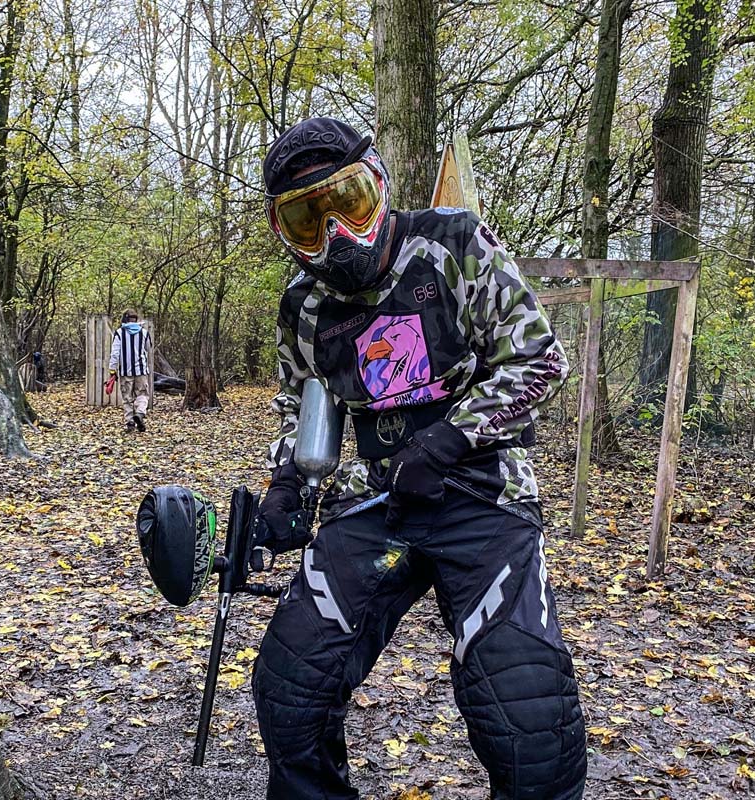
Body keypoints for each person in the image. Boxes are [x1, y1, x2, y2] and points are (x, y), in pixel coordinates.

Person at [250, 117, 585, 800]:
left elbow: (540, 359)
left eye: (347, 202)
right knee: (292, 689)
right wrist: (288, 483)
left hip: (483, 491)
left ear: (377, 184)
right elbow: (301, 403)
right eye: (310, 220)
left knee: (526, 713)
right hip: (377, 501)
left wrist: (450, 438)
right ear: (285, 231)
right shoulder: (303, 304)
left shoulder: (453, 241)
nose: (337, 233)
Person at [108, 309, 151, 432]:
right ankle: (140, 413)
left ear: (124, 319)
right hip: (141, 371)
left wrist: (112, 370)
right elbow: (147, 349)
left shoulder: (119, 333)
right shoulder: (144, 333)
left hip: (125, 372)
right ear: (135, 319)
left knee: (127, 398)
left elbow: (115, 353)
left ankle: (130, 422)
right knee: (142, 394)